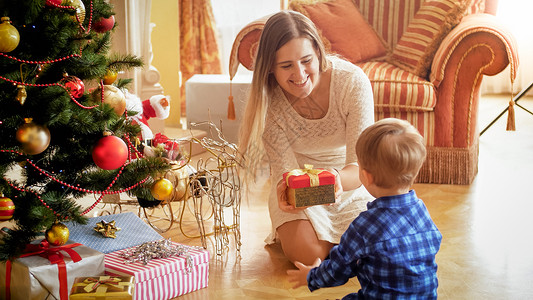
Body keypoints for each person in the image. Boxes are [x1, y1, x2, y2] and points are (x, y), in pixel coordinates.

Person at [238, 10, 375, 265]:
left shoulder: (352, 82)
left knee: (375, 240)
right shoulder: (269, 104)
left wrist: (334, 180)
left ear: (319, 53)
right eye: (286, 65)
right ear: (270, 67)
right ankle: (345, 251)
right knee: (307, 255)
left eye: (306, 60)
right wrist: (290, 196)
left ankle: (338, 251)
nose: (299, 75)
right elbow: (286, 174)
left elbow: (360, 168)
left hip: (347, 181)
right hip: (298, 189)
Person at [286, 118, 443, 299]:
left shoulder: (365, 225)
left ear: (366, 177)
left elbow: (339, 267)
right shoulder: (421, 210)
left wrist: (311, 276)